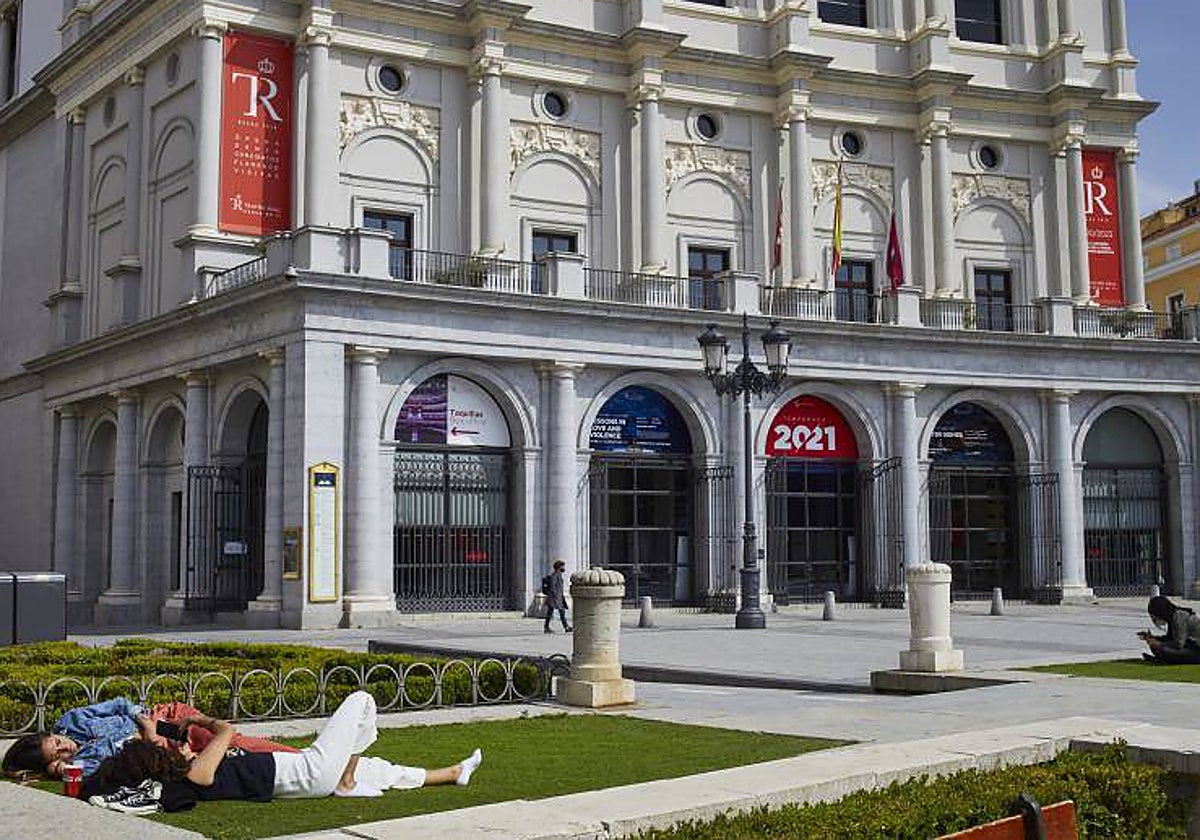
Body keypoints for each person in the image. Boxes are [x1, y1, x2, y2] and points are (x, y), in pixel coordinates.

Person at [84, 691, 481, 811]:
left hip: (301, 769)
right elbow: (226, 731)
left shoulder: (180, 769)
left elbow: (156, 752)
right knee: (362, 700)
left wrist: (156, 735)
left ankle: (450, 774)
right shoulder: (195, 774)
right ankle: (345, 782)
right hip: (308, 773)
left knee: (374, 769)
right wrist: (200, 720)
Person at [2, 698, 297, 780]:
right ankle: (297, 761)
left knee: (230, 742)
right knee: (232, 759)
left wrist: (145, 722)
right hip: (157, 750)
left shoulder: (71, 721)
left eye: (56, 741)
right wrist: (56, 769)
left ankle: (300, 758)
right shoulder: (81, 764)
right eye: (56, 754)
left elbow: (120, 704)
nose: (64, 747)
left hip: (161, 723)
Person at [1138, 595, 1200, 664]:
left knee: (1163, 649)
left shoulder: (1179, 618)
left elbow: (1178, 644)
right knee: (1157, 647)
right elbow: (1170, 638)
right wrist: (1153, 638)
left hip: (1196, 650)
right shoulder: (1172, 618)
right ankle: (1163, 658)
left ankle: (1163, 659)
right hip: (1189, 646)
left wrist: (1158, 643)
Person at [542, 559, 572, 634]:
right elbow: (553, 586)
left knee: (554, 612)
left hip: (557, 597)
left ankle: (565, 627)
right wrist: (556, 596)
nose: (564, 568)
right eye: (562, 566)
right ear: (559, 567)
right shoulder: (555, 575)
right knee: (559, 612)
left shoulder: (558, 575)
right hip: (555, 598)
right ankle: (565, 627)